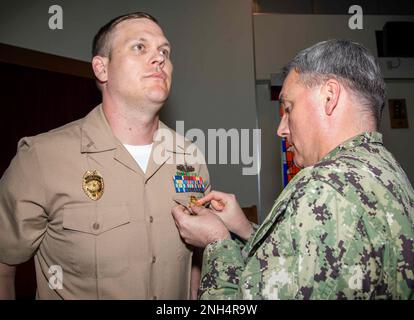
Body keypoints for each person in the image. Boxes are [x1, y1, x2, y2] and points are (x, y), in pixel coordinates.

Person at [172, 39, 414, 299]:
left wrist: (216, 242)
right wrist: (244, 230)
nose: (281, 129)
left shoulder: (324, 188)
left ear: (329, 97)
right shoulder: (388, 172)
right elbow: (316, 262)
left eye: (288, 108)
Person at [0, 12, 210, 299]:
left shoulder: (190, 157)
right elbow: (3, 264)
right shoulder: (41, 158)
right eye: (140, 47)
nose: (159, 58)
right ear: (102, 69)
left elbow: (195, 254)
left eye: (164, 51)